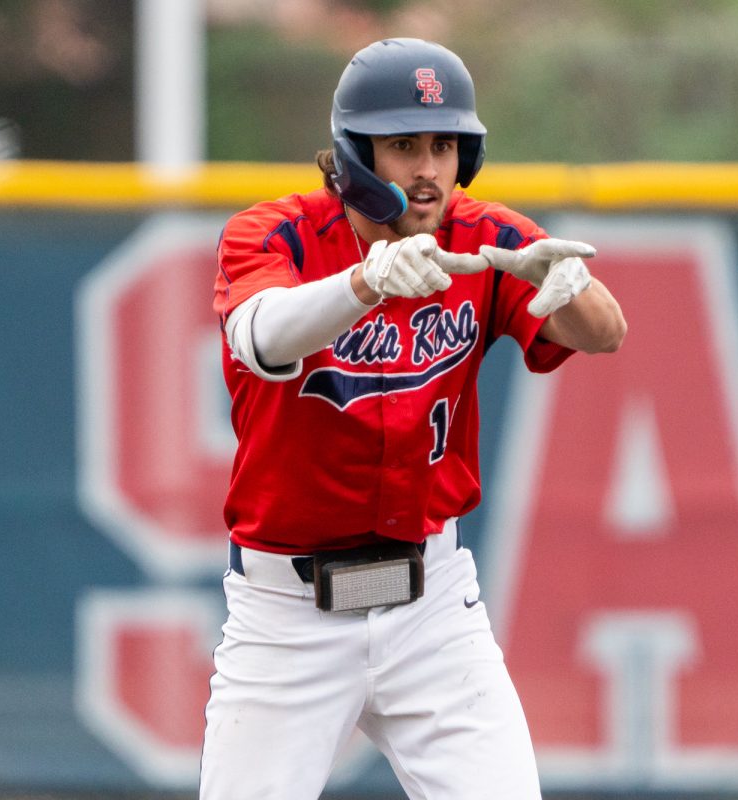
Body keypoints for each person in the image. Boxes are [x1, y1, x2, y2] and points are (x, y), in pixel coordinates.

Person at [205, 37, 626, 800]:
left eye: (443, 144)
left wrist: (571, 284)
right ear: (354, 154)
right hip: (287, 614)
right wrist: (364, 284)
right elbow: (261, 335)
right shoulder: (278, 234)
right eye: (402, 145)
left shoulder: (481, 235)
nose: (427, 168)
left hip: (431, 606)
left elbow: (606, 335)